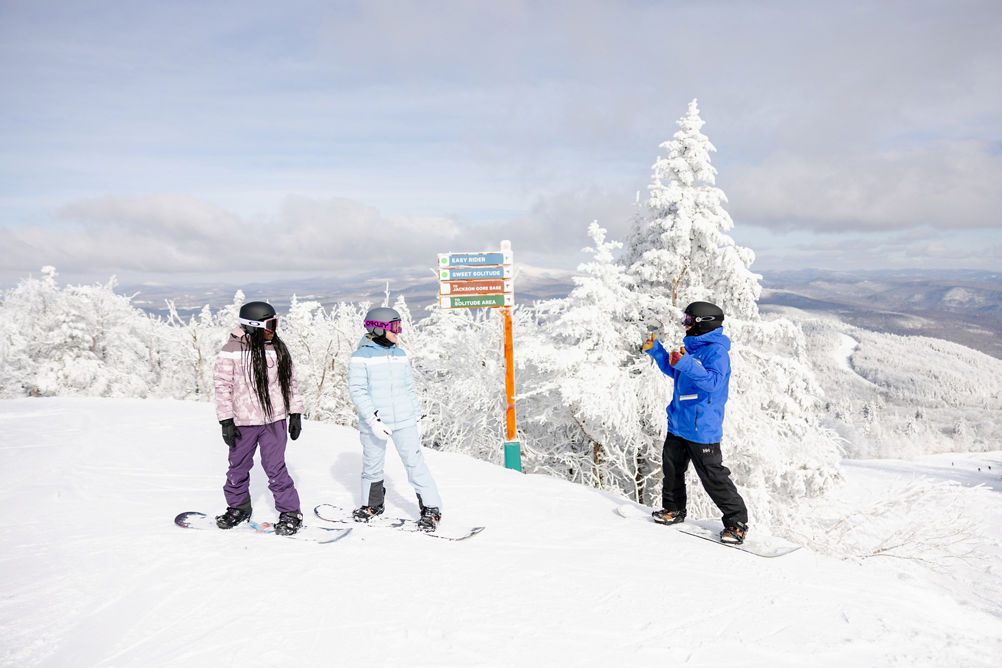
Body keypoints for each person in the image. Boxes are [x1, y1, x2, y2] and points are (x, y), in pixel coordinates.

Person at [641, 301, 749, 544]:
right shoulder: (694, 347)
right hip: (679, 422)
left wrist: (685, 362)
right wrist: (657, 351)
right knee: (672, 471)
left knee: (713, 476)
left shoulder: (716, 352)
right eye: (685, 319)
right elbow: (678, 372)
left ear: (703, 323)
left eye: (689, 320)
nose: (685, 324)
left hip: (702, 428)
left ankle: (736, 522)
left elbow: (712, 382)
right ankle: (673, 509)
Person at [213, 301, 305, 536]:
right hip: (243, 423)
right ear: (252, 326)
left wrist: (295, 413)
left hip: (274, 420)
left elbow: (290, 384)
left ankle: (290, 512)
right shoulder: (231, 350)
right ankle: (238, 508)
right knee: (237, 468)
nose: (273, 330)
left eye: (275, 324)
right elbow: (222, 386)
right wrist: (226, 420)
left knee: (275, 468)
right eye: (269, 325)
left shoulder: (277, 348)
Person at [348, 306, 442, 532]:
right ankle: (372, 505)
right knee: (372, 465)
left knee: (415, 463)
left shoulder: (400, 354)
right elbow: (358, 391)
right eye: (394, 327)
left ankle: (431, 508)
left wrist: (416, 415)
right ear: (378, 329)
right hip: (375, 423)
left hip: (404, 420)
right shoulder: (361, 356)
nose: (398, 332)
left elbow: (409, 388)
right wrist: (373, 420)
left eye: (400, 326)